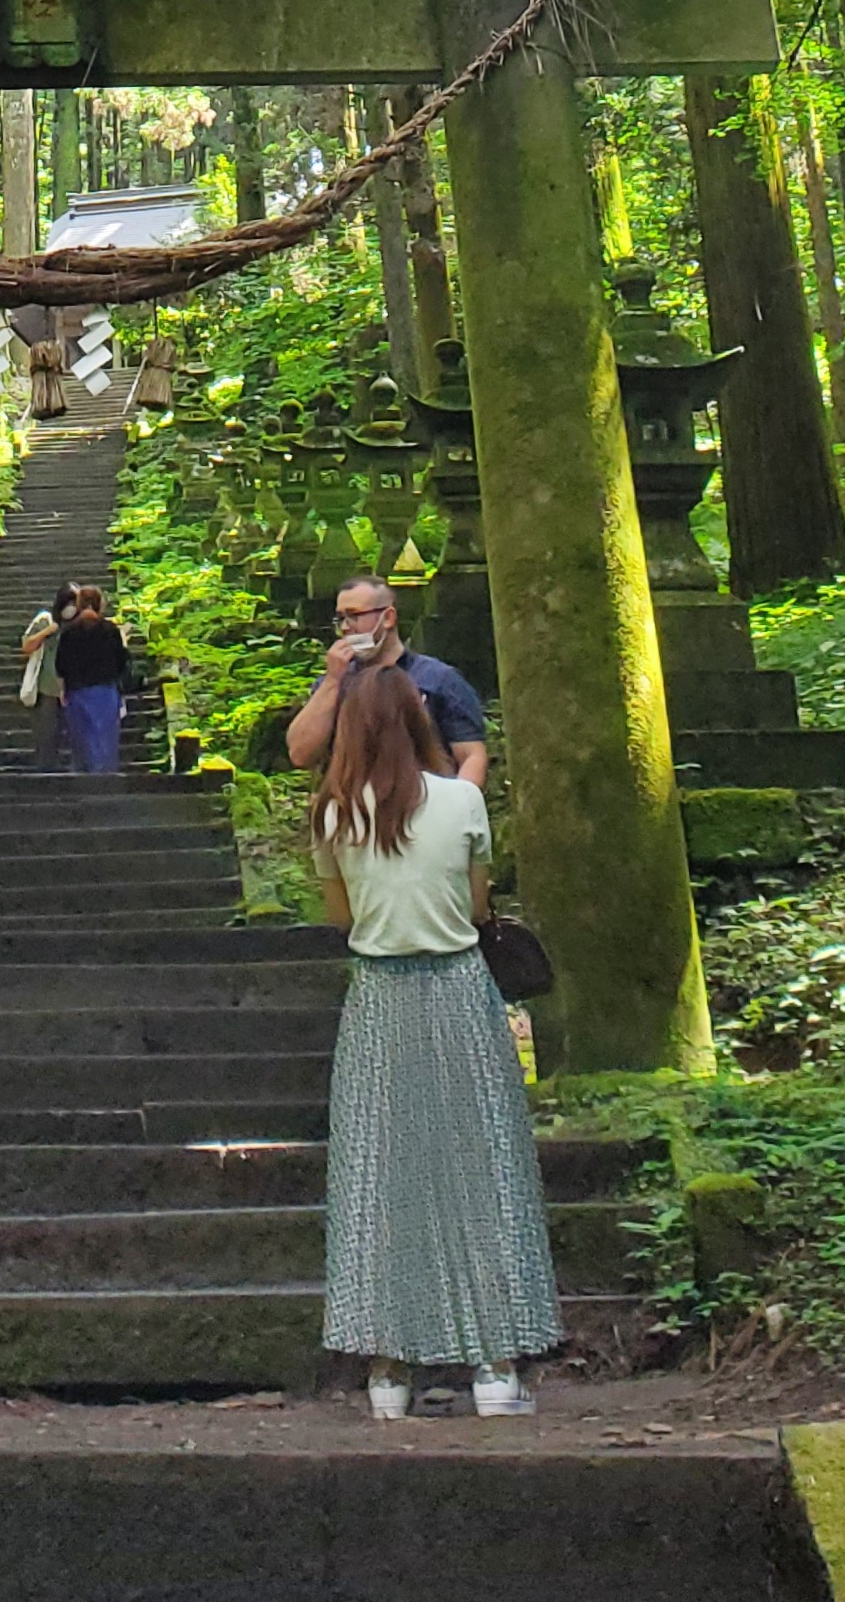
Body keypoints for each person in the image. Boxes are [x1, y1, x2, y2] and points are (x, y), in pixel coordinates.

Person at [311, 662, 560, 1419]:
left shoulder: (333, 814)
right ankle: (494, 1364)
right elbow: (477, 902)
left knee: (382, 1176)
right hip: (458, 991)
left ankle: (387, 1372)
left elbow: (342, 919)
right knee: (482, 1167)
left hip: (380, 1002)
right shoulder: (462, 801)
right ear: (420, 720)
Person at [285, 576, 490, 789]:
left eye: (355, 616)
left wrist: (460, 806)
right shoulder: (334, 683)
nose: (346, 628)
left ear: (388, 618)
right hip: (352, 808)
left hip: (422, 804)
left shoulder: (439, 679)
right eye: (340, 619)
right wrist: (332, 680)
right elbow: (300, 754)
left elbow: (471, 755)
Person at [53, 577, 132, 774]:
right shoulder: (110, 630)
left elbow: (60, 665)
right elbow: (122, 661)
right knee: (104, 740)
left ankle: (83, 781)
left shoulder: (69, 633)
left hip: (77, 693)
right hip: (105, 692)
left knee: (82, 743)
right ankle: (105, 782)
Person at [19, 582, 78, 767]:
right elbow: (27, 647)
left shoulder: (79, 624)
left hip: (73, 687)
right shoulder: (45, 619)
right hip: (47, 688)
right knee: (46, 736)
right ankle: (46, 771)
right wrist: (46, 632)